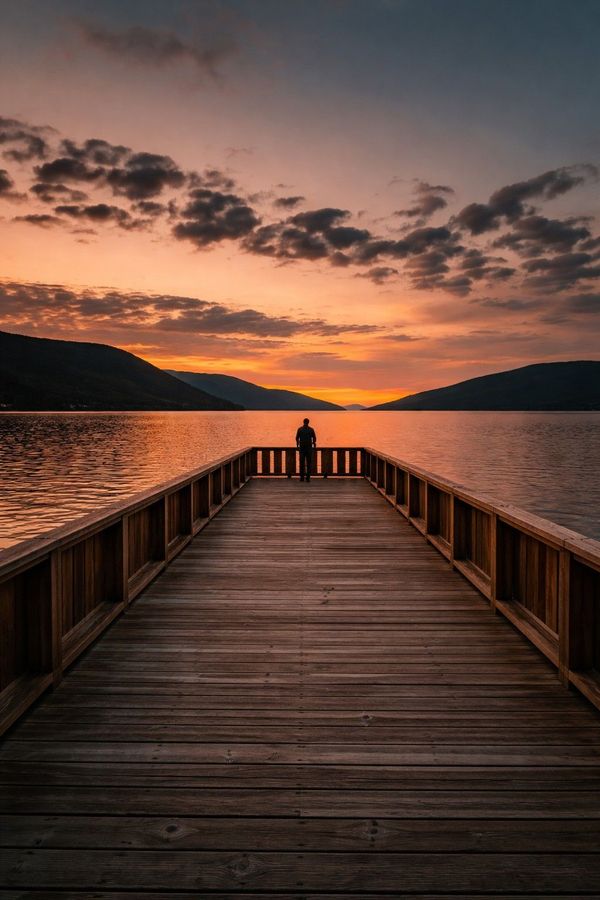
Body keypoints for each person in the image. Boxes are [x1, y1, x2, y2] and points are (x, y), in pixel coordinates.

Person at [296, 417, 317, 482]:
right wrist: (314, 444)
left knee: (302, 463)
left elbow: (296, 438)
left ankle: (302, 478)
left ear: (303, 422)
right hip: (309, 448)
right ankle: (308, 478)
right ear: (308, 422)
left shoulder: (300, 429)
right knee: (309, 463)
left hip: (302, 448)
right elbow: (314, 438)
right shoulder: (311, 429)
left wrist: (297, 444)